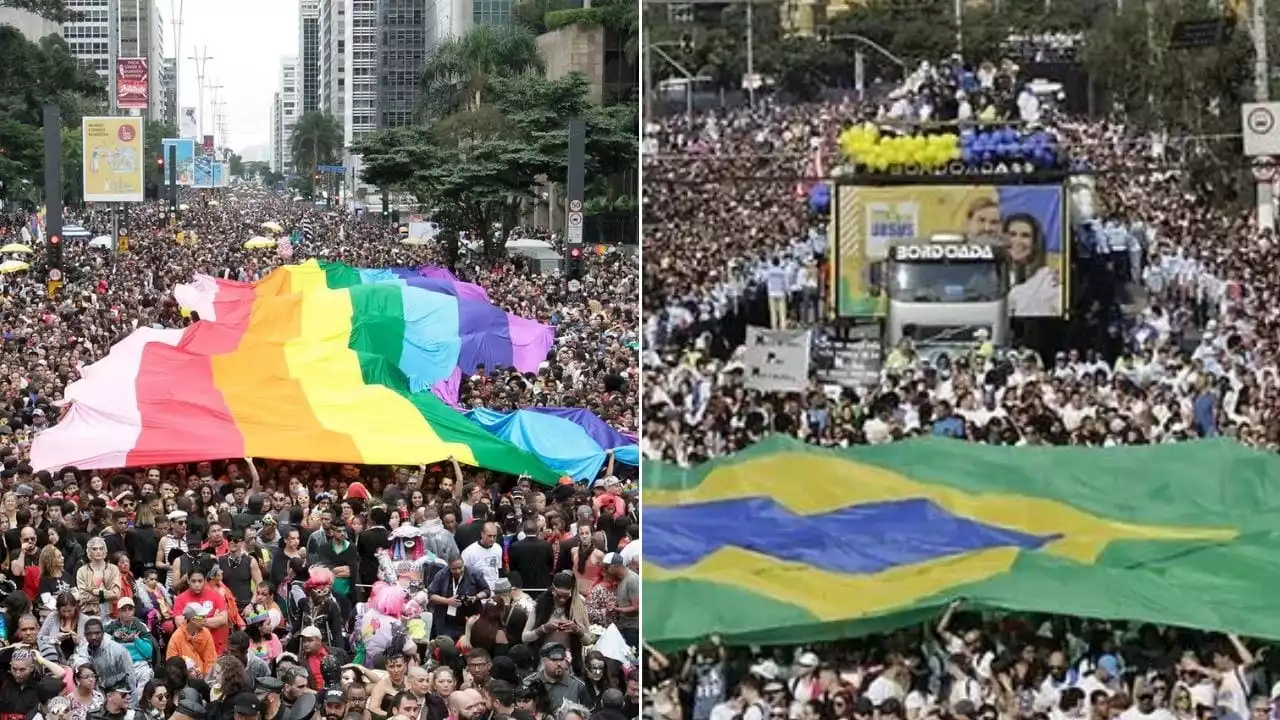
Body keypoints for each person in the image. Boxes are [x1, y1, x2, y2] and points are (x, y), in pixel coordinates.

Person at [102, 597, 155, 704]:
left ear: (134, 610)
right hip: (119, 663)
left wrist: (136, 639)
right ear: (118, 612)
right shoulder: (110, 626)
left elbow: (149, 652)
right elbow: (103, 645)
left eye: (130, 609)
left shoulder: (140, 626)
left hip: (138, 663)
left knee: (146, 674)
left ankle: (140, 705)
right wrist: (113, 638)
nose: (127, 613)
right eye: (123, 610)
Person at [166, 604, 218, 676]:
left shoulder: (206, 633)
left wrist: (205, 676)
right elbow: (171, 666)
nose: (206, 619)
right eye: (202, 617)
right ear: (193, 620)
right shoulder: (176, 638)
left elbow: (211, 660)